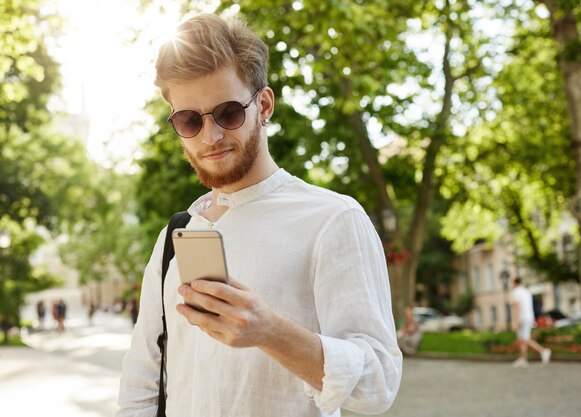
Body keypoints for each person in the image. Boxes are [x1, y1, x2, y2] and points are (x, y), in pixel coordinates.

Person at [116, 14, 402, 417]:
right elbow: (143, 379)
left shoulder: (333, 219)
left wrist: (271, 331)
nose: (210, 137)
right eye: (189, 120)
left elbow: (378, 384)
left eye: (228, 113)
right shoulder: (176, 235)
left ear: (263, 105)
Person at [510, 278, 551, 367]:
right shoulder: (526, 291)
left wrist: (516, 321)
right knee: (522, 339)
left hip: (522, 318)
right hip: (529, 317)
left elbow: (517, 307)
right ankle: (523, 359)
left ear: (515, 283)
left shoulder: (516, 292)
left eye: (512, 283)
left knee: (524, 339)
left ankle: (543, 351)